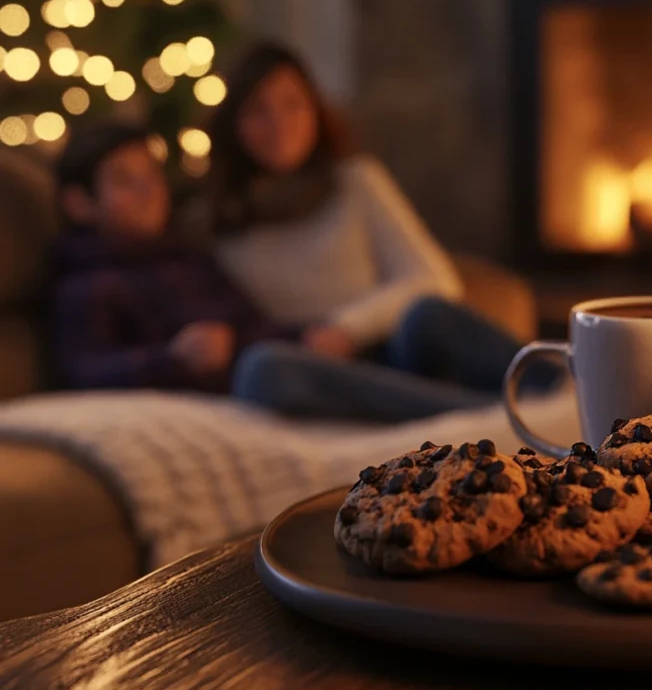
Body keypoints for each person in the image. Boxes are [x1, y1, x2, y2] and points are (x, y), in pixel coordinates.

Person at [206, 42, 556, 421]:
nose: (279, 123)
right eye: (259, 110)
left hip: (390, 349)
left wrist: (347, 328)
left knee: (428, 314)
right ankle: (485, 414)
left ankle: (562, 386)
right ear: (233, 122)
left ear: (315, 112)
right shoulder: (216, 221)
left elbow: (434, 279)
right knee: (263, 369)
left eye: (293, 104)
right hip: (319, 371)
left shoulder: (355, 181)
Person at [51, 122, 351, 392]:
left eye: (152, 174)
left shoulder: (190, 259)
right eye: (124, 180)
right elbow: (83, 372)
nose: (148, 189)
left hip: (272, 370)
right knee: (266, 369)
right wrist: (173, 357)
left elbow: (251, 325)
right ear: (80, 204)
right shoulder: (88, 284)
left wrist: (304, 336)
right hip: (251, 385)